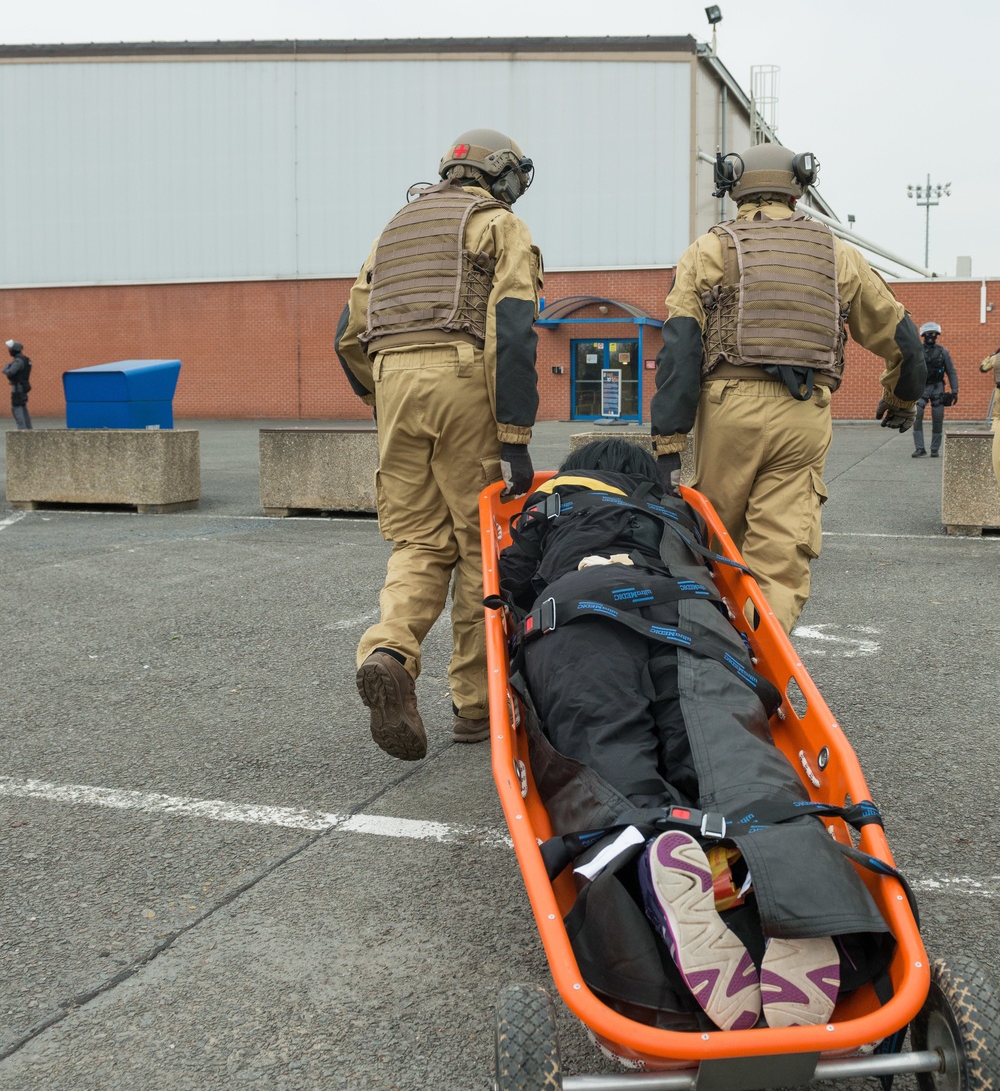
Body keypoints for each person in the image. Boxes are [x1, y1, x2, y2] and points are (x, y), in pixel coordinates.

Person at [499, 438, 890, 1032]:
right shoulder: (676, 512)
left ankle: (648, 862)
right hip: (690, 618)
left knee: (607, 767)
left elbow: (511, 583)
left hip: (575, 612)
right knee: (738, 764)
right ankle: (793, 897)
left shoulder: (551, 504)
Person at [649, 145, 926, 633]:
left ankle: (707, 665)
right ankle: (758, 672)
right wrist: (901, 398)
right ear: (798, 185)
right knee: (778, 559)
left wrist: (669, 443)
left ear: (734, 184)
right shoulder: (837, 253)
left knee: (716, 545)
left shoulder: (708, 249)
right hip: (805, 412)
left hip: (727, 407)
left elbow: (680, 349)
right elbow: (902, 336)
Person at [336, 130, 542, 760]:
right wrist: (514, 436)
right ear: (501, 175)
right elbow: (513, 329)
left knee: (419, 540)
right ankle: (476, 707)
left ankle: (389, 650)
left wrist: (385, 396)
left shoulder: (392, 230)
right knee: (481, 542)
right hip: (464, 378)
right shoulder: (500, 226)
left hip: (392, 380)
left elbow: (350, 331)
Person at [912, 321, 959, 458]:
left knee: (938, 418)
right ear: (923, 336)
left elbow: (951, 371)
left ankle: (934, 449)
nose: (930, 337)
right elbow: (910, 370)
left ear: (937, 335)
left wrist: (954, 390)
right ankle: (920, 448)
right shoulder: (918, 351)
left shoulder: (943, 352)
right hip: (922, 387)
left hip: (938, 387)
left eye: (933, 334)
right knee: (917, 415)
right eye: (927, 334)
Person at [980, 344, 1000, 488]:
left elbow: (983, 367)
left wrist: (991, 355)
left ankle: (994, 438)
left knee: (997, 417)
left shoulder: (996, 358)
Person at [3, 341, 32, 429]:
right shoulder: (26, 360)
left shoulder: (18, 361)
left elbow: (11, 372)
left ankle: (22, 429)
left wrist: (5, 370)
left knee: (17, 407)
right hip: (24, 386)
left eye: (10, 349)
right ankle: (28, 429)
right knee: (23, 407)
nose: (9, 351)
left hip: (17, 387)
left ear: (14, 350)